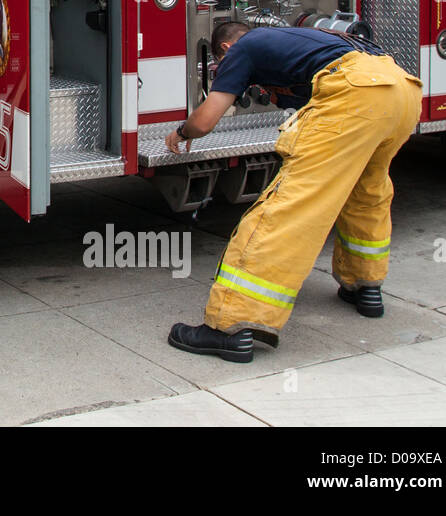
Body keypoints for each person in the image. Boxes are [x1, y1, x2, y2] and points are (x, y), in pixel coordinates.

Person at [164, 21, 423, 362]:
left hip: (356, 92)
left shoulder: (242, 49)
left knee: (292, 205)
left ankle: (233, 324)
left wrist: (181, 133)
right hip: (403, 89)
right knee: (367, 192)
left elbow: (206, 120)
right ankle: (364, 286)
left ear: (225, 50)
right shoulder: (300, 39)